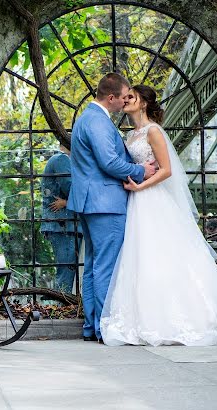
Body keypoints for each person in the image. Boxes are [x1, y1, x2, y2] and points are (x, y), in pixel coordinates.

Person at [99, 84, 217, 346]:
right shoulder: (132, 135)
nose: (126, 100)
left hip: (153, 199)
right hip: (138, 202)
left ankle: (189, 317)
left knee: (165, 256)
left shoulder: (153, 131)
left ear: (143, 103)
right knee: (142, 257)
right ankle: (145, 317)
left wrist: (140, 186)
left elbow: (166, 170)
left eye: (131, 97)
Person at [69, 73, 157, 342]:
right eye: (123, 96)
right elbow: (109, 163)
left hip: (91, 202)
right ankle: (105, 327)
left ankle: (93, 327)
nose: (125, 101)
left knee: (95, 266)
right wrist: (141, 170)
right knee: (106, 267)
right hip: (105, 204)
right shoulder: (97, 122)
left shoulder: (88, 118)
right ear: (111, 98)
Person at [40, 138, 81, 293]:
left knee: (67, 270)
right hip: (64, 224)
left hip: (64, 223)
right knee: (66, 271)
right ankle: (62, 310)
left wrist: (66, 202)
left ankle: (63, 307)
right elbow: (72, 188)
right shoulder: (61, 159)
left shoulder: (62, 160)